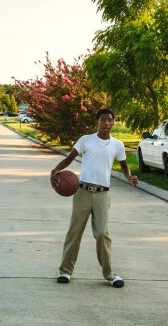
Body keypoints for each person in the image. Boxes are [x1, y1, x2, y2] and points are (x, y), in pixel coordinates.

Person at [51, 108, 139, 288]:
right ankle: (65, 271)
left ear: (113, 122)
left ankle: (109, 274)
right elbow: (69, 158)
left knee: (102, 234)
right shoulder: (86, 140)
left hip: (102, 194)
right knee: (74, 232)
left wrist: (128, 177)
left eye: (110, 120)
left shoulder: (118, 145)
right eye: (103, 120)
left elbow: (123, 166)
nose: (106, 123)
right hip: (82, 191)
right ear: (97, 122)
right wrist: (56, 169)